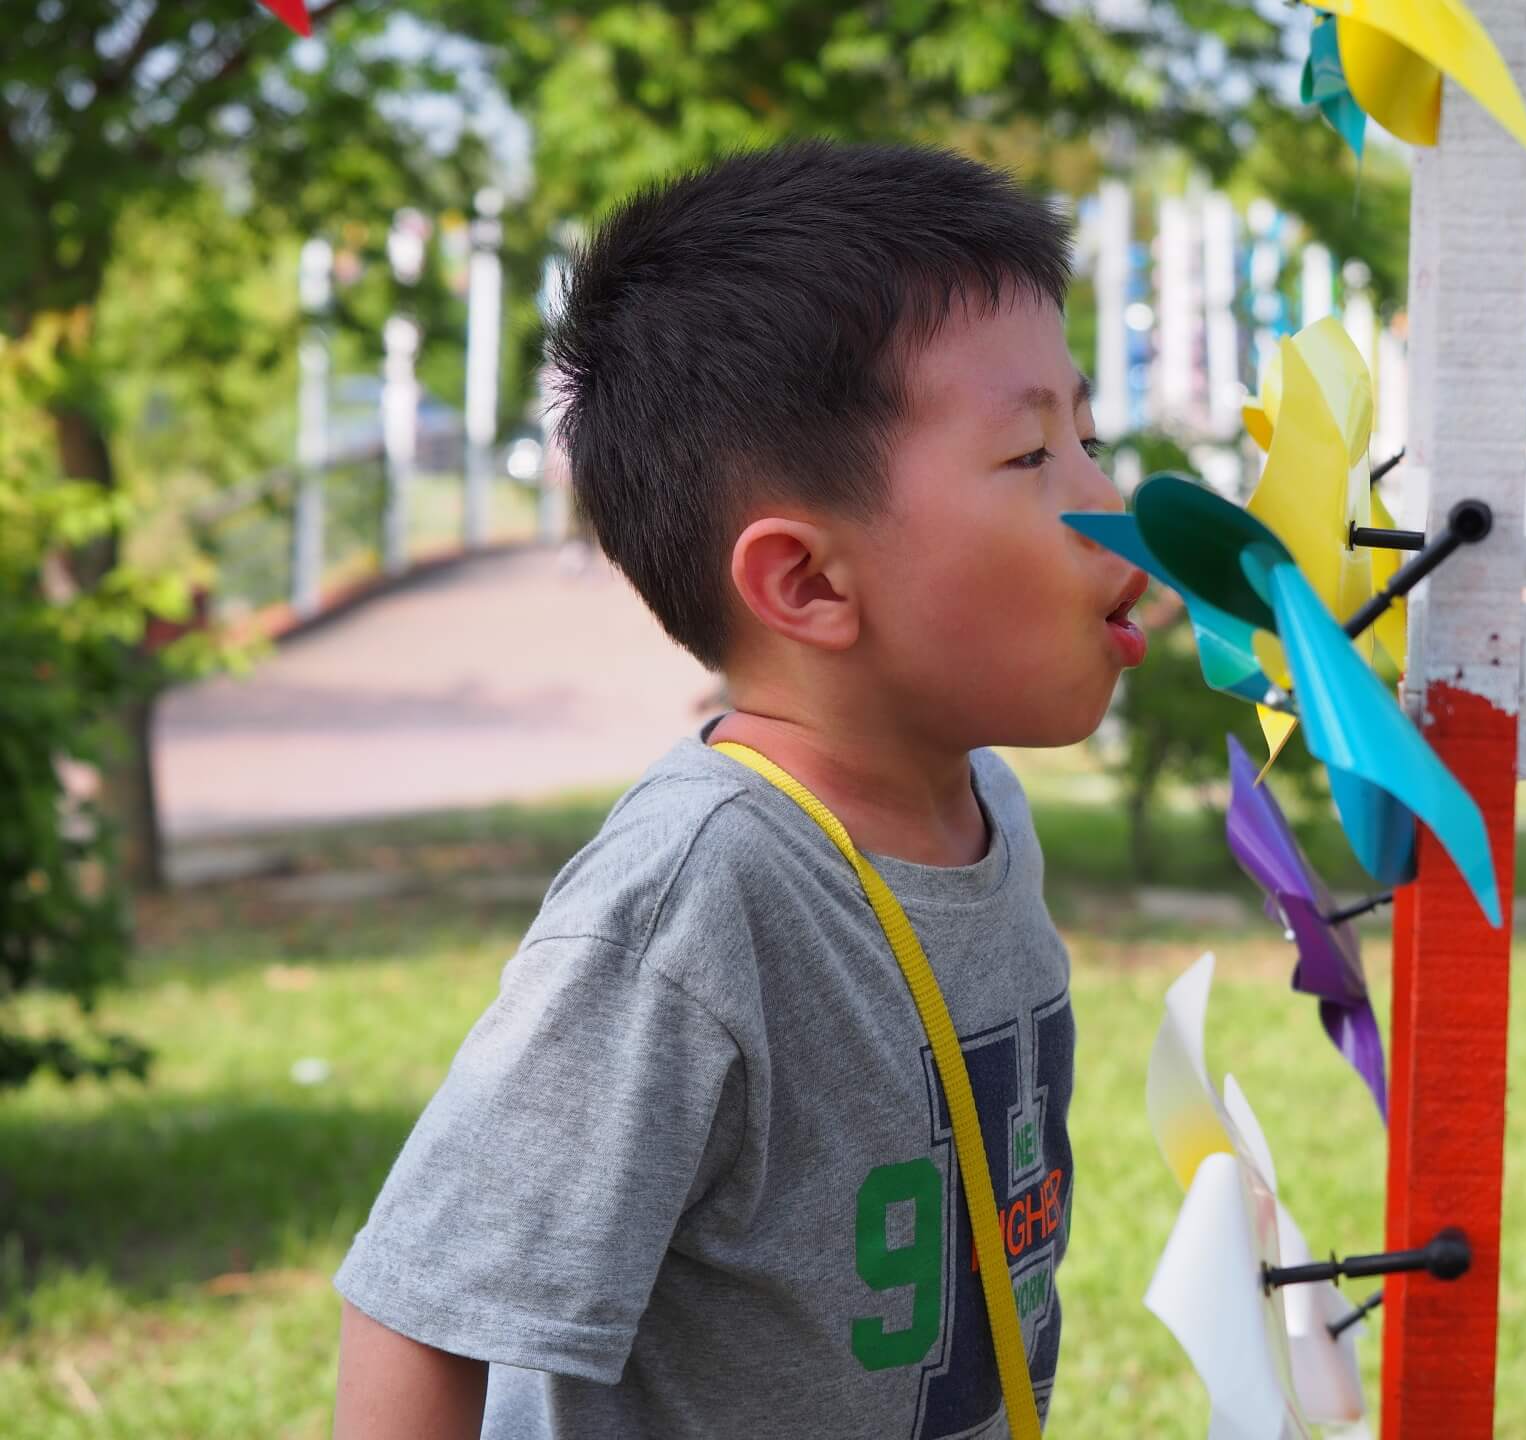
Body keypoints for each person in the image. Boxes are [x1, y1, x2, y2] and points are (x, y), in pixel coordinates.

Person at [330, 140, 1148, 1440]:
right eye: (1030, 458)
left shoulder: (982, 810)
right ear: (811, 584)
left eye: (1092, 438)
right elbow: (421, 1308)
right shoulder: (694, 896)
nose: (1112, 505)